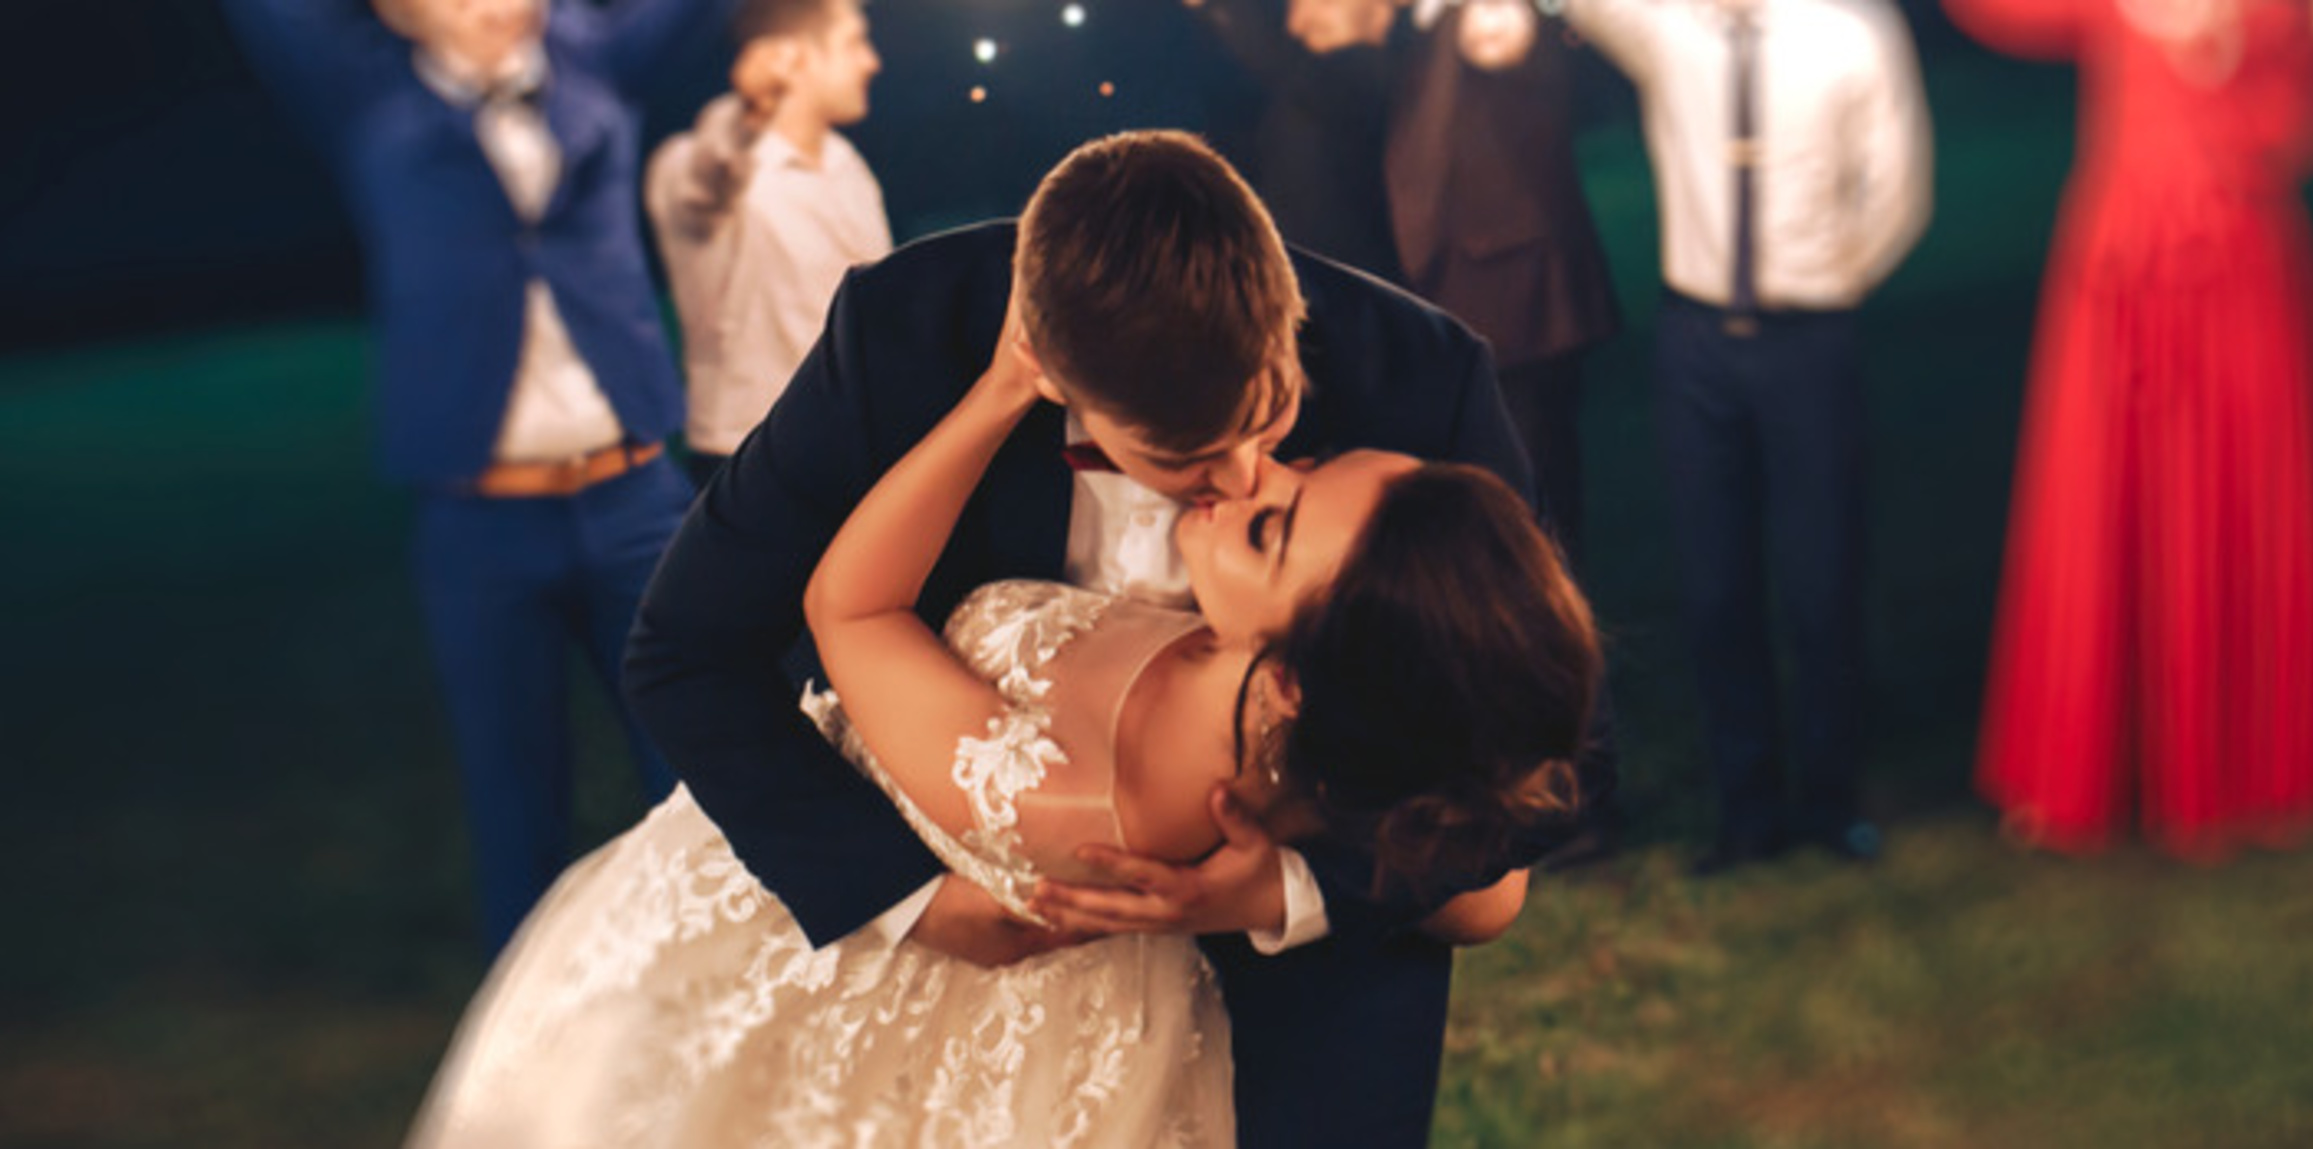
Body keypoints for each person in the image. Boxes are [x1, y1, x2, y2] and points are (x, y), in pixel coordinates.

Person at [624, 129, 1614, 1146]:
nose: (1240, 477)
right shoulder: (904, 333)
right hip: (975, 1023)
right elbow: (688, 650)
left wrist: (1290, 888)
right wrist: (905, 895)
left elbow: (1554, 748)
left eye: (1269, 419)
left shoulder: (1421, 373)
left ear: (1288, 310)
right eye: (1184, 456)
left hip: (1309, 1009)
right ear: (1055, 372)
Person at [406, 306, 1602, 1142]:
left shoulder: (1082, 801)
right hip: (835, 885)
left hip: (899, 1005)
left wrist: (996, 396)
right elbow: (1486, 890)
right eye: (1306, 467)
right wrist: (1267, 887)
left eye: (1270, 528)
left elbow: (851, 609)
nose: (1250, 475)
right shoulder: (1308, 713)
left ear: (1295, 680)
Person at [220, 0, 731, 952]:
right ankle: (525, 1042)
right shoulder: (365, 93)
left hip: (636, 503)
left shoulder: (593, 55)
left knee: (699, 765)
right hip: (482, 523)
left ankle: (726, 986)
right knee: (513, 793)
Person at [1950, 0, 2313, 859]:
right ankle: (2082, 767)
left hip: (2243, 269)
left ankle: (2248, 770)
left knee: (2248, 499)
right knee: (2097, 511)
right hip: (2122, 268)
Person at [1564, 0, 1931, 874]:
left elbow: (1899, 186)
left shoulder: (1851, 33)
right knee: (1716, 583)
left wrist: (1827, 279)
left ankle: (1832, 801)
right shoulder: (1667, 25)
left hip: (1809, 336)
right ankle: (1747, 809)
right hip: (1697, 344)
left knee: (1821, 574)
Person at [1385, 0, 1622, 560]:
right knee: (1501, 483)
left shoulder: (1489, 17)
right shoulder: (1426, 22)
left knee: (1531, 488)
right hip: (1476, 285)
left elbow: (1507, 39)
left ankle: (1547, 625)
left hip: (1516, 293)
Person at [646, 0, 891, 488]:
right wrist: (749, 106)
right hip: (747, 467)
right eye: (853, 43)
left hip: (856, 459)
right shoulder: (692, 167)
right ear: (789, 57)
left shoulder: (850, 166)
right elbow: (705, 182)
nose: (871, 61)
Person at [1182, 0, 1408, 280]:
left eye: (1321, 3)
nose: (1297, 23)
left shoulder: (1368, 81)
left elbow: (1275, 59)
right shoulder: (1307, 82)